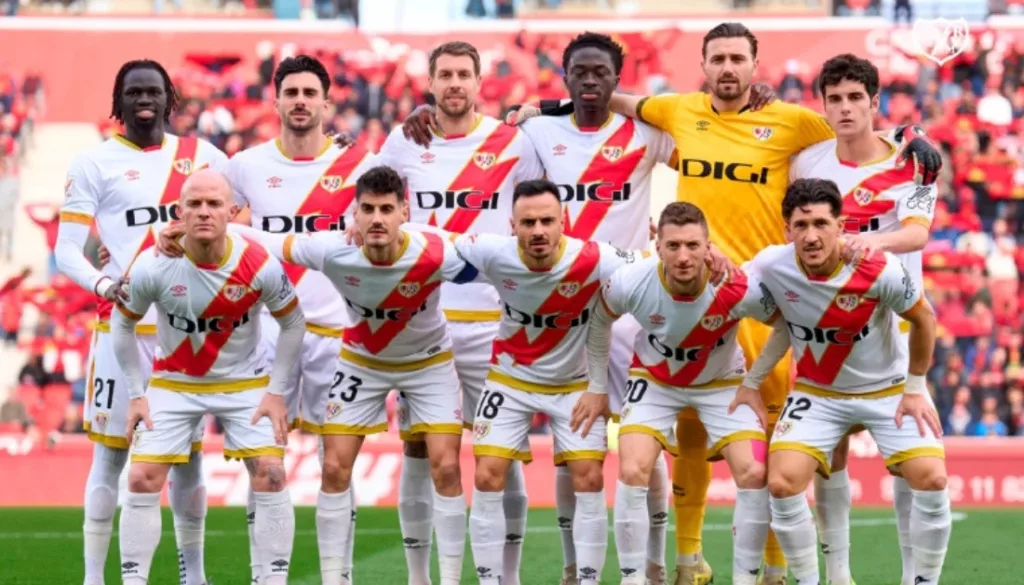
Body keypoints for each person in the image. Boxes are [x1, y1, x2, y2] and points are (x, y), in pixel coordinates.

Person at [511, 22, 944, 584]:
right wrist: (542, 104)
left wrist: (912, 132)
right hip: (698, 291)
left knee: (774, 442)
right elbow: (609, 94)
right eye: (718, 58)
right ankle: (689, 559)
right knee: (688, 430)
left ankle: (774, 566)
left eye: (738, 58)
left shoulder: (792, 121)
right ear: (704, 64)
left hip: (768, 299)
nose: (728, 68)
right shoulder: (678, 110)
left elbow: (855, 125)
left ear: (755, 65)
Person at [160, 165, 475, 585]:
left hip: (429, 361)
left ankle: (447, 581)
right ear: (354, 215)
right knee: (334, 468)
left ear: (404, 210)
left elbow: (489, 262)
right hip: (362, 360)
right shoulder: (331, 249)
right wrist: (182, 231)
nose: (377, 218)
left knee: (446, 467)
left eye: (387, 209)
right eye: (368, 210)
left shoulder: (437, 248)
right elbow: (268, 241)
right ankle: (333, 579)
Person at [410, 179, 644, 585]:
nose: (538, 230)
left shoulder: (596, 258)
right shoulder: (492, 251)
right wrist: (385, 229)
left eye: (547, 221)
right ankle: (490, 581)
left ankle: (585, 579)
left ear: (564, 221)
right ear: (512, 225)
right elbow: (435, 239)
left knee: (589, 477)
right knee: (487, 474)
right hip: (509, 380)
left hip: (573, 385)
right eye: (529, 222)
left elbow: (649, 265)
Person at [373, 41, 544, 585]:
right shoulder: (403, 141)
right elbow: (369, 202)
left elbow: (541, 215)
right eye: (444, 74)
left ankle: (507, 576)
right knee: (422, 449)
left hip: (495, 323)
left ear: (478, 82)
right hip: (426, 323)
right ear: (430, 82)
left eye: (463, 75)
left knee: (503, 452)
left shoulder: (512, 144)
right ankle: (420, 577)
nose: (454, 84)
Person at [56, 59, 227, 585]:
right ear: (119, 101)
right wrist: (106, 286)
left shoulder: (204, 157)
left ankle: (191, 575)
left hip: (187, 331)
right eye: (133, 93)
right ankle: (93, 577)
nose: (144, 100)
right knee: (110, 457)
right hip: (121, 329)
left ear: (171, 99)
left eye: (154, 91)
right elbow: (66, 251)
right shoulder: (93, 163)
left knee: (191, 459)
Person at [743, 178, 949, 585]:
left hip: (888, 388)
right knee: (782, 484)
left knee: (932, 478)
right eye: (800, 225)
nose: (811, 235)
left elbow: (924, 318)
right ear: (787, 230)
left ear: (841, 226)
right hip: (818, 394)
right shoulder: (771, 264)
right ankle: (815, 580)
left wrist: (915, 387)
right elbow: (735, 290)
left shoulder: (878, 268)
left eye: (821, 223)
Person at [222, 54, 378, 585]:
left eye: (311, 93)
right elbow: (205, 216)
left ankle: (339, 577)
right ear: (276, 102)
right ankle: (268, 578)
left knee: (336, 467)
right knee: (265, 468)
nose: (301, 101)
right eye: (291, 92)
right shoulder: (245, 165)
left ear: (327, 103)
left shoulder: (358, 166)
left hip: (338, 335)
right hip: (266, 335)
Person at [111, 169, 304, 585]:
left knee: (271, 473)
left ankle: (270, 580)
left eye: (214, 204)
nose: (203, 212)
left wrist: (275, 391)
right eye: (194, 204)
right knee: (141, 477)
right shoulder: (152, 265)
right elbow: (121, 325)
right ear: (178, 211)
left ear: (231, 212)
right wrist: (135, 394)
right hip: (174, 382)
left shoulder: (258, 263)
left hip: (244, 382)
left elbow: (294, 324)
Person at [788, 53, 938, 585]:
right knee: (832, 454)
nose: (847, 107)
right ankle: (840, 574)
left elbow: (918, 233)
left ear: (875, 103)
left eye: (857, 97)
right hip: (824, 328)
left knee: (910, 462)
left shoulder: (913, 162)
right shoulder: (806, 164)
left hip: (894, 330)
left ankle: (911, 575)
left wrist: (869, 241)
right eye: (836, 98)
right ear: (823, 105)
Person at [585, 201, 778, 585]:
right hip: (655, 382)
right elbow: (599, 321)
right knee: (633, 468)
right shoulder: (632, 280)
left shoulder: (737, 285)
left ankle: (745, 578)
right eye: (673, 246)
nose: (684, 256)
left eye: (693, 245)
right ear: (657, 245)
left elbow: (784, 325)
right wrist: (595, 388)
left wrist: (754, 382)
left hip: (722, 382)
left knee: (754, 472)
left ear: (709, 246)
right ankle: (633, 578)